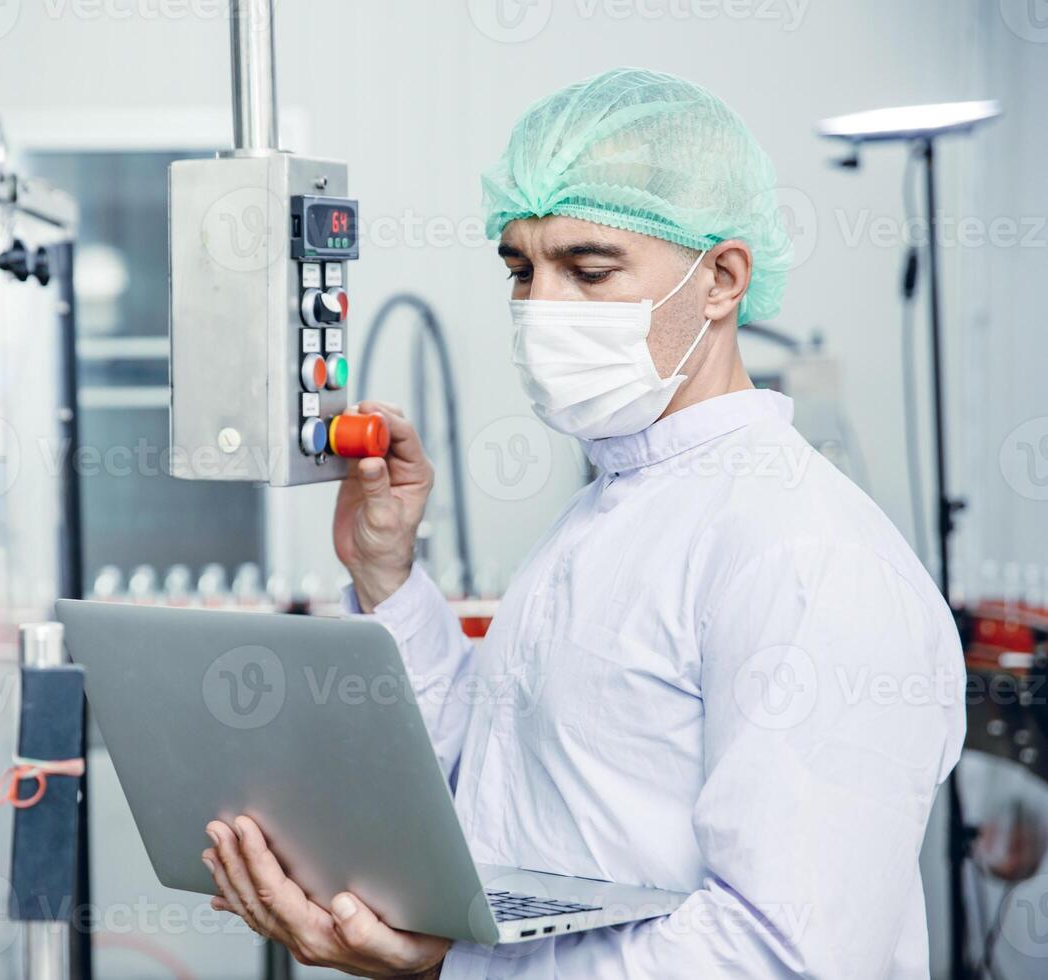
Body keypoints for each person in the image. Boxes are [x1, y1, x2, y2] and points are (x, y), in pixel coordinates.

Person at [201, 67, 966, 978]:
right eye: (521, 268)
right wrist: (387, 574)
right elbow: (499, 787)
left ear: (721, 279)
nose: (540, 308)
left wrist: (451, 967)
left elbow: (782, 956)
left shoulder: (805, 557)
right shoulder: (613, 508)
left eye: (589, 269)